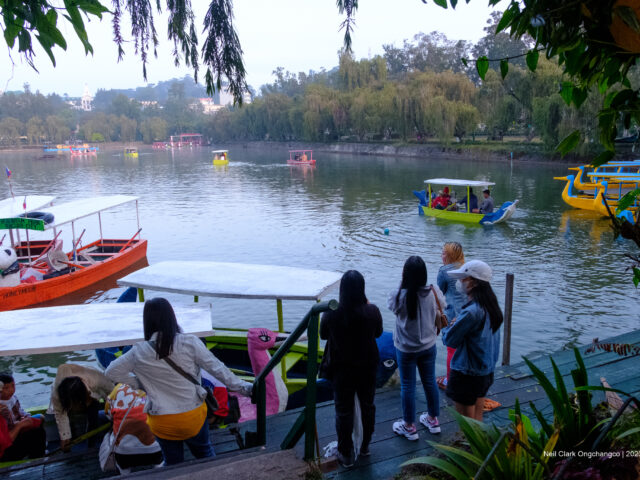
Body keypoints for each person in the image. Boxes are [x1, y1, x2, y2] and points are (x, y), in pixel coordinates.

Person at [105, 298, 253, 466]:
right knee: (205, 452)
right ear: (171, 318)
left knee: (173, 463)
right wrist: (244, 389)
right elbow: (218, 369)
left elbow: (111, 371)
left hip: (162, 421)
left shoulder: (139, 351)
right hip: (192, 417)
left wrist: (140, 384)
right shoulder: (189, 342)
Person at [320, 270, 383, 468]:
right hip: (368, 366)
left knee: (343, 410)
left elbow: (322, 335)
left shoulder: (331, 311)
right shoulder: (372, 311)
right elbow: (379, 332)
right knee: (368, 406)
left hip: (342, 368)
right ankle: (364, 447)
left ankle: (345, 453)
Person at [388, 256, 445, 441]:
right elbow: (443, 305)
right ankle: (433, 420)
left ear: (405, 275)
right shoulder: (433, 291)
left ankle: (409, 426)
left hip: (405, 348)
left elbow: (392, 308)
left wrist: (402, 284)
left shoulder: (399, 294)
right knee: (429, 381)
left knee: (408, 385)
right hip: (428, 346)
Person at [443, 260, 503, 421]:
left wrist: (447, 324)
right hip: (485, 370)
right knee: (478, 416)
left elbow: (449, 340)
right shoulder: (492, 306)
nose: (460, 282)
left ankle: (467, 445)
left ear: (473, 282)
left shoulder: (471, 312)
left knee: (466, 422)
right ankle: (478, 445)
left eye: (464, 278)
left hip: (466, 373)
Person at [50, 364, 115, 451]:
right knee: (67, 426)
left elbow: (113, 393)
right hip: (72, 398)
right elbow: (60, 414)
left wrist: (115, 414)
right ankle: (69, 445)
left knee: (93, 417)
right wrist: (65, 437)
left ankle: (91, 446)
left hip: (93, 393)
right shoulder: (57, 394)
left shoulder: (96, 378)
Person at [435, 243, 467, 390]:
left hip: (452, 312)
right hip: (467, 310)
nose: (442, 256)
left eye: (443, 253)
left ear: (449, 255)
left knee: (450, 348)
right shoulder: (466, 268)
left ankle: (449, 380)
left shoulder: (444, 271)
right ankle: (462, 377)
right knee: (464, 347)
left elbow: (440, 291)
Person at [0, 373, 46, 461]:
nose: (11, 390)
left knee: (40, 418)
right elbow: (5, 440)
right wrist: (19, 425)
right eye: (6, 388)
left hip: (15, 427)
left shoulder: (13, 398)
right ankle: (36, 461)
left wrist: (25, 418)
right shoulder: (2, 407)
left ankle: (38, 451)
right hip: (8, 438)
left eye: (13, 386)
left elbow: (20, 411)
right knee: (37, 432)